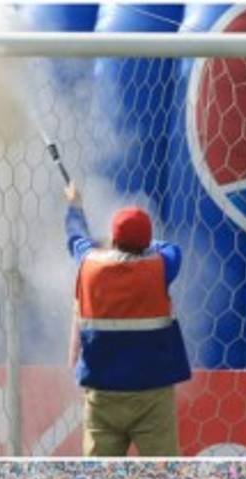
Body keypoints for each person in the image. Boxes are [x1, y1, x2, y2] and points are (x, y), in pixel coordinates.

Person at [63, 183, 192, 457]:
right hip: (152, 394)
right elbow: (170, 248)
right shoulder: (161, 265)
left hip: (102, 394)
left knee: (98, 477)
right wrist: (143, 243)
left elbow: (76, 238)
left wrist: (75, 206)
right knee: (163, 472)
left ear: (114, 238)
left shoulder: (89, 264)